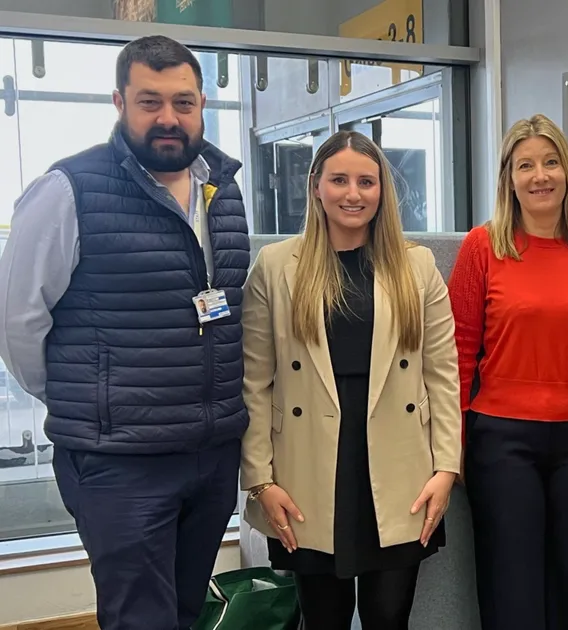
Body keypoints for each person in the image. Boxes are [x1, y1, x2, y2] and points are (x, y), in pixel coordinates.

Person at [0, 36, 249, 630]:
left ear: (203, 104)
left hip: (210, 453)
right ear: (119, 102)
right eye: (149, 101)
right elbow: (18, 322)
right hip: (120, 459)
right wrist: (85, 398)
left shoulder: (224, 189)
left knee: (187, 611)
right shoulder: (69, 190)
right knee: (140, 618)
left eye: (183, 102)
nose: (168, 118)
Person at [240, 130, 461, 630]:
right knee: (325, 618)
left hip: (401, 468)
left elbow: (442, 375)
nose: (353, 193)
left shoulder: (416, 265)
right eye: (339, 179)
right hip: (308, 470)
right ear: (315, 185)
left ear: (382, 191)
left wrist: (445, 469)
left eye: (366, 181)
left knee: (388, 616)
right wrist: (260, 481)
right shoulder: (276, 267)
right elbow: (254, 382)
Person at [447, 113, 568, 630]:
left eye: (550, 162)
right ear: (509, 177)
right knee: (512, 592)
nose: (540, 175)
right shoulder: (482, 248)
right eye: (525, 165)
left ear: (567, 172)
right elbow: (459, 352)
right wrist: (455, 441)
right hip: (501, 442)